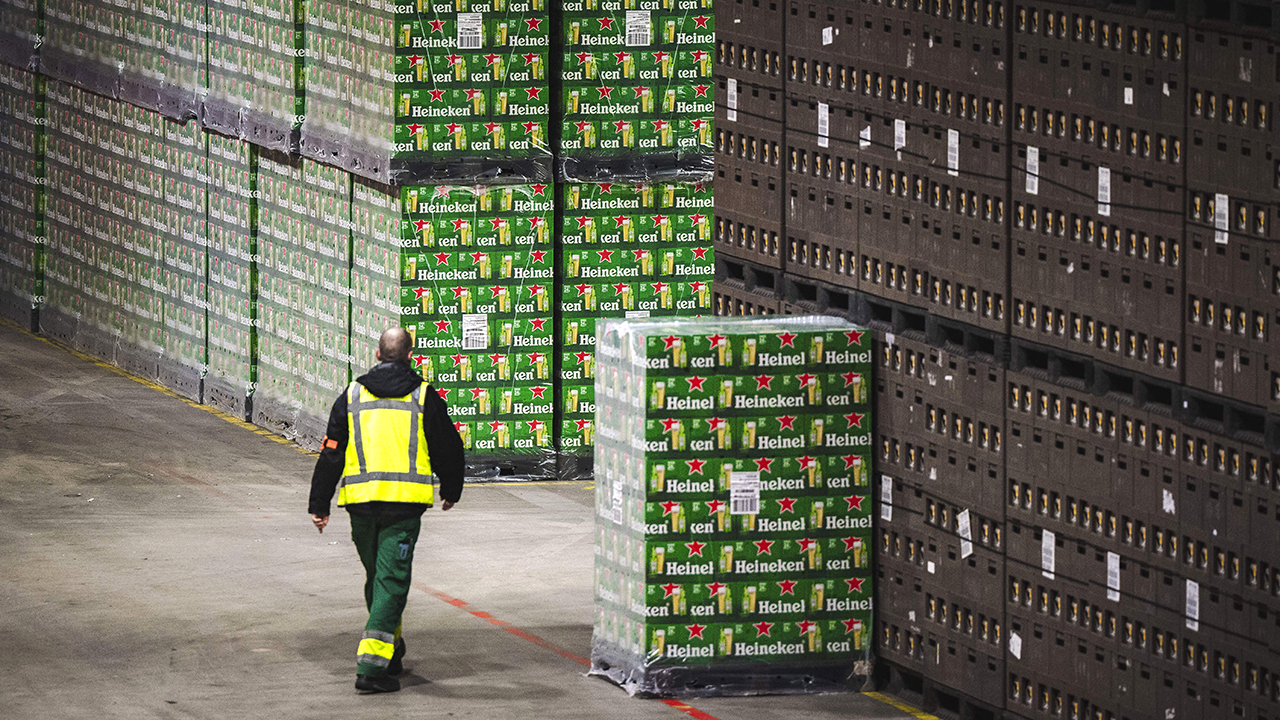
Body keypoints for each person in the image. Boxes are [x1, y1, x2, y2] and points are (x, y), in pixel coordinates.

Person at [309, 326, 465, 694]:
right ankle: (371, 668)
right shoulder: (424, 395)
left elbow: (331, 450)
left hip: (360, 505)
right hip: (403, 506)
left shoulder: (352, 394)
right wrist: (451, 488)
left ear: (377, 354)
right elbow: (447, 446)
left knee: (379, 579)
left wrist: (319, 503)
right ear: (410, 355)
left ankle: (390, 650)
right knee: (391, 582)